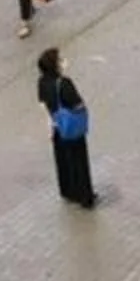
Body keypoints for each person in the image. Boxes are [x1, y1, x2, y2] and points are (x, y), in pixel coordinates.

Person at [37, 47, 95, 209]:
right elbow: (77, 103)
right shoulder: (64, 83)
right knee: (79, 161)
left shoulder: (42, 82)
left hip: (56, 127)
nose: (63, 62)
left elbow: (42, 103)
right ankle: (85, 196)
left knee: (62, 160)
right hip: (71, 128)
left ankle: (68, 191)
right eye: (60, 60)